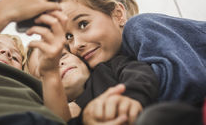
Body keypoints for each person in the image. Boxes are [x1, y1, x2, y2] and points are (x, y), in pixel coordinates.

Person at [61, 0, 206, 105]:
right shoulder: (114, 67)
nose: (76, 44)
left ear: (118, 14)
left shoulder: (140, 26)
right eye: (68, 37)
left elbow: (190, 81)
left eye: (83, 24)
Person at [25, 45, 159, 124]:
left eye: (62, 55)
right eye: (46, 69)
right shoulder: (66, 116)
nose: (58, 64)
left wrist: (131, 97)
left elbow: (139, 72)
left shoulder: (109, 67)